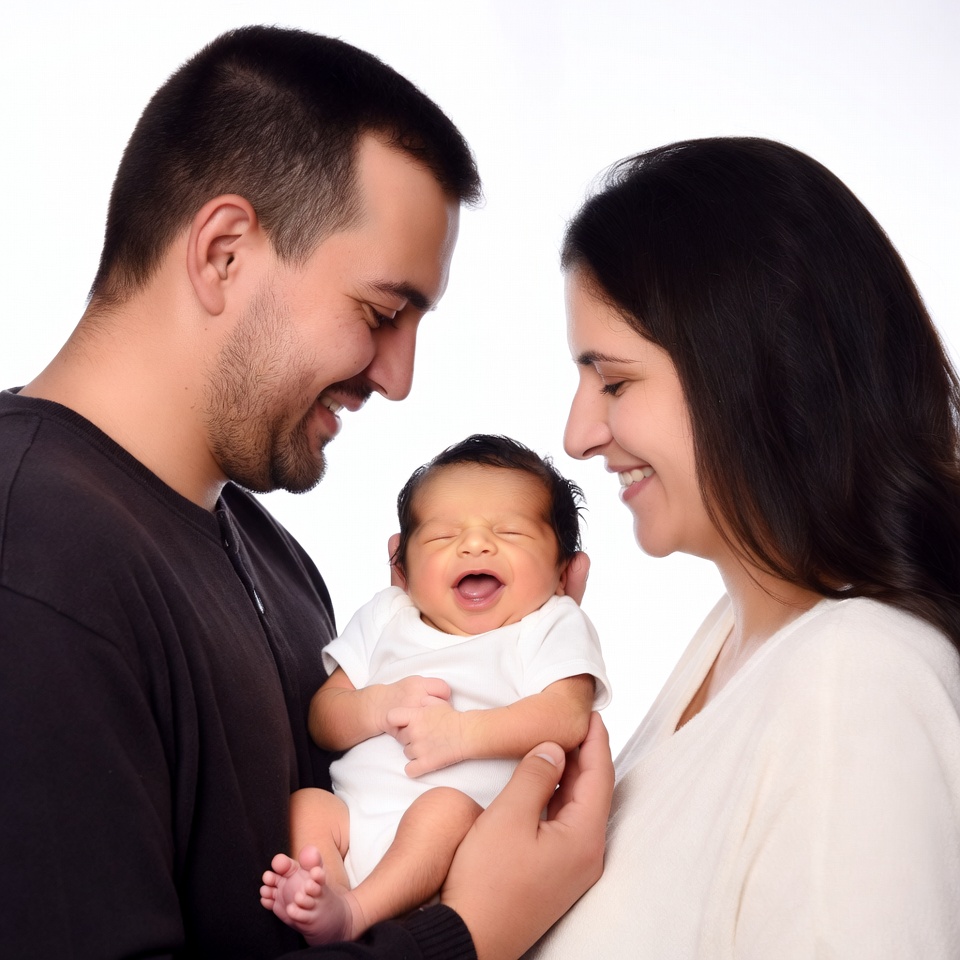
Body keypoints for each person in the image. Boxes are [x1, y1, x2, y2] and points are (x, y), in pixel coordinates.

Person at [0, 26, 614, 960]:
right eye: (380, 313)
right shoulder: (31, 560)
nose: (400, 377)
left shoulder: (271, 561)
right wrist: (469, 936)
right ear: (225, 253)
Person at [526, 136, 960, 959]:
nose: (578, 436)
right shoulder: (736, 637)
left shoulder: (856, 680)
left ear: (756, 368)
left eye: (614, 382)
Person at [260, 434, 612, 945]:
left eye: (510, 532)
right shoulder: (388, 615)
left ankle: (359, 911)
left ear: (564, 570)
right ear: (400, 567)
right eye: (444, 537)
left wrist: (463, 734)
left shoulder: (548, 623)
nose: (475, 545)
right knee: (307, 807)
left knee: (441, 809)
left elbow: (566, 716)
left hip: (465, 850)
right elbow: (323, 716)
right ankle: (331, 899)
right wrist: (376, 705)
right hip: (356, 820)